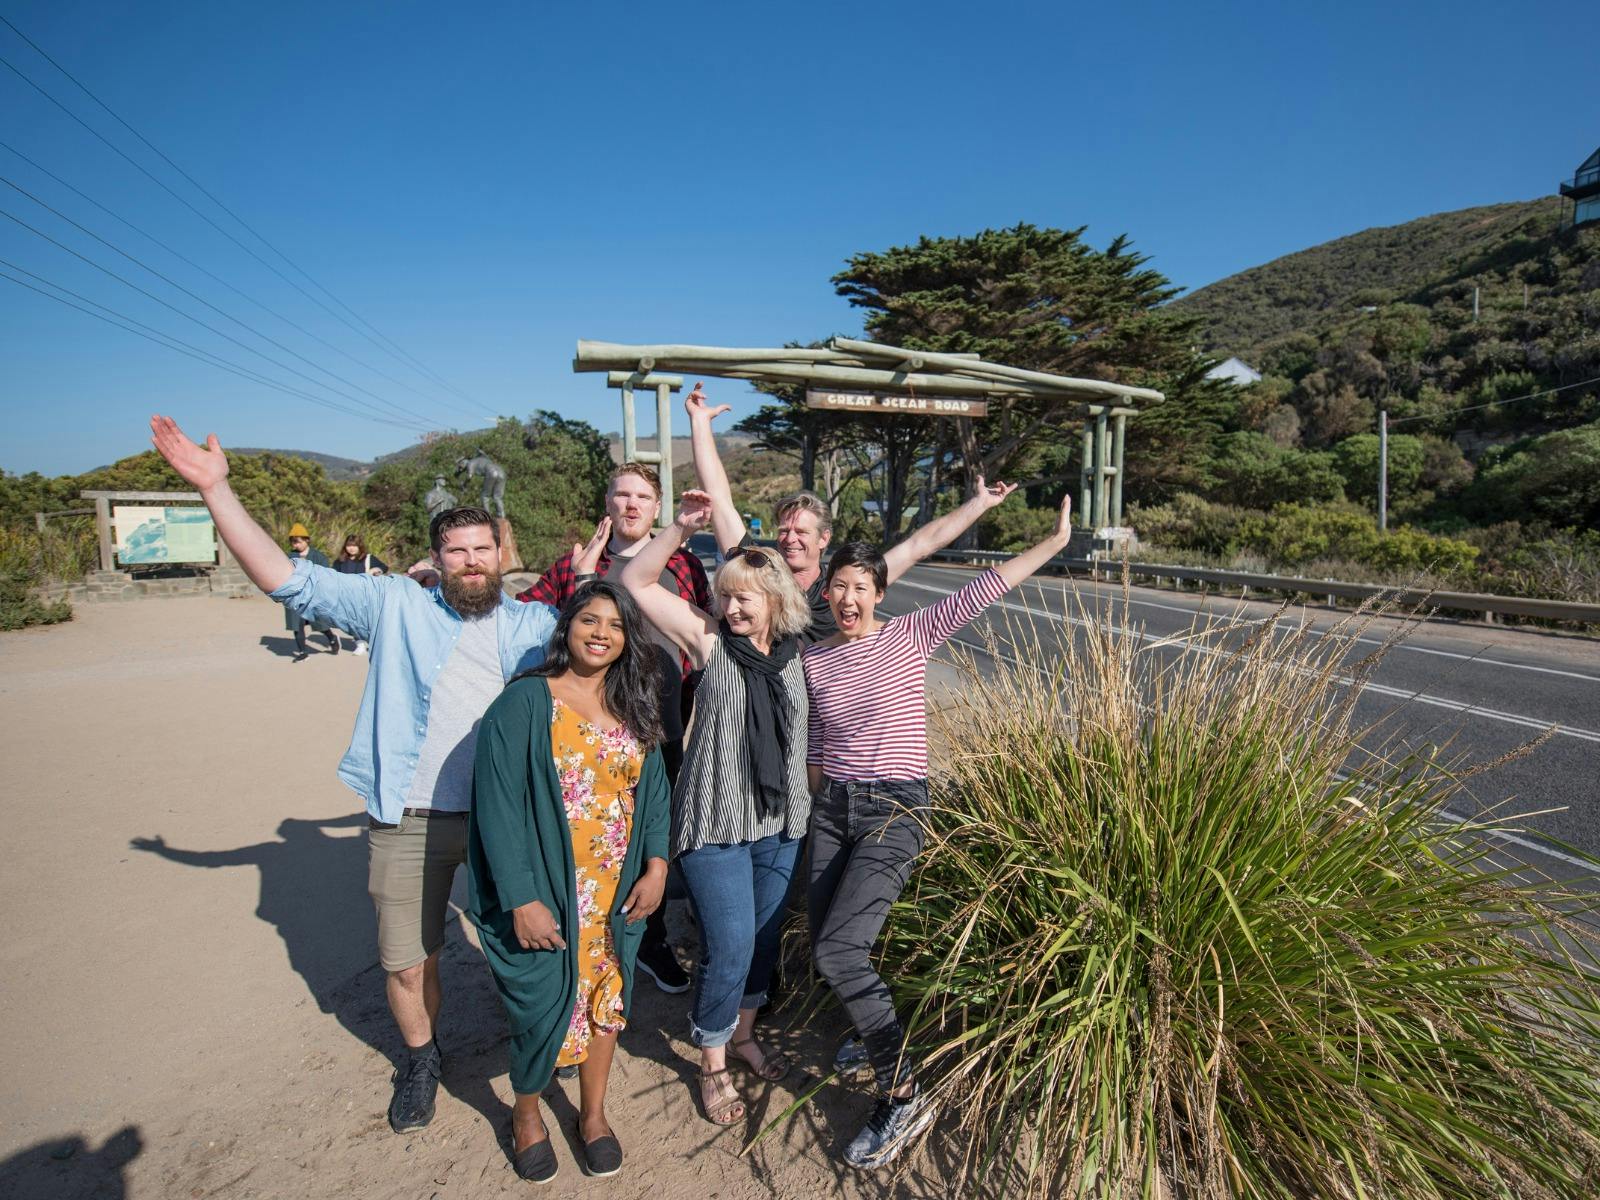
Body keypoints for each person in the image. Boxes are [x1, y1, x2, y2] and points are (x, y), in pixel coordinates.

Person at [147, 415, 561, 1138]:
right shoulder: (393, 603)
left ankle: (537, 1051)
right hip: (409, 813)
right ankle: (421, 1060)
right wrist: (218, 492)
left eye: (481, 549)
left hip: (508, 819)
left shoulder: (534, 625)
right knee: (407, 961)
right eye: (455, 549)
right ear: (435, 555)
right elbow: (290, 582)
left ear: (502, 555)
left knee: (527, 945)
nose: (469, 560)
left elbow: (613, 622)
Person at [802, 493, 1075, 1170]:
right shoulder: (815, 659)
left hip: (895, 807)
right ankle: (874, 1034)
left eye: (861, 587)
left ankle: (902, 1094)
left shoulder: (910, 635)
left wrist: (1053, 542)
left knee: (840, 953)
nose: (848, 598)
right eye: (838, 586)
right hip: (833, 806)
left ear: (880, 591)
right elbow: (815, 741)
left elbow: (988, 586)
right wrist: (816, 806)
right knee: (827, 934)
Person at [618, 489, 813, 1127]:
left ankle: (745, 1035)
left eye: (742, 597)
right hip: (716, 826)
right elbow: (636, 579)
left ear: (776, 602)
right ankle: (712, 1060)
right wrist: (679, 526)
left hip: (779, 826)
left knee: (759, 943)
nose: (729, 605)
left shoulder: (794, 661)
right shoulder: (708, 642)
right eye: (724, 594)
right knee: (727, 943)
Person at [468, 581, 670, 1183]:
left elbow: (654, 793)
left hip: (616, 891)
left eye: (615, 624)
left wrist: (657, 866)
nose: (601, 632)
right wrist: (521, 899)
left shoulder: (634, 706)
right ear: (567, 627)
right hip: (550, 894)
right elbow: (497, 807)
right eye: (589, 619)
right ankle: (526, 1114)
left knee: (607, 1002)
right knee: (542, 1005)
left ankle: (593, 1115)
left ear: (629, 638)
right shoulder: (525, 704)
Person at [516, 460, 713, 996]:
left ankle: (648, 941)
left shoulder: (685, 566)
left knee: (652, 837)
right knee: (588, 836)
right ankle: (583, 942)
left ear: (656, 507)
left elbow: (707, 641)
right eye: (621, 495)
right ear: (607, 502)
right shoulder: (579, 563)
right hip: (584, 735)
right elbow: (516, 619)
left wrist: (685, 706)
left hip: (661, 730)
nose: (630, 505)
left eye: (642, 497)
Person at [685, 381, 1020, 642]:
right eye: (784, 531)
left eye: (802, 532)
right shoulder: (760, 570)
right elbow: (720, 501)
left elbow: (920, 544)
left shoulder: (843, 584)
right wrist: (700, 423)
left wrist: (979, 504)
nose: (790, 539)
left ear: (823, 539)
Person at [284, 523, 338, 656]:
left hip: (314, 596)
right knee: (297, 625)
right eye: (293, 542)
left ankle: (332, 638)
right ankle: (303, 652)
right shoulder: (289, 556)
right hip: (295, 595)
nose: (295, 545)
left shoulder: (319, 556)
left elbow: (325, 575)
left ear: (306, 540)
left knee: (320, 624)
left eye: (298, 542)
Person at [332, 533, 389, 655]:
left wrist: (375, 570)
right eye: (349, 545)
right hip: (348, 596)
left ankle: (376, 643)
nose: (351, 548)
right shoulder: (340, 561)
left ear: (360, 546)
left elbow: (384, 567)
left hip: (367, 595)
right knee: (353, 621)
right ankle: (360, 644)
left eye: (354, 545)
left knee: (371, 621)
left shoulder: (368, 558)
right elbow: (334, 576)